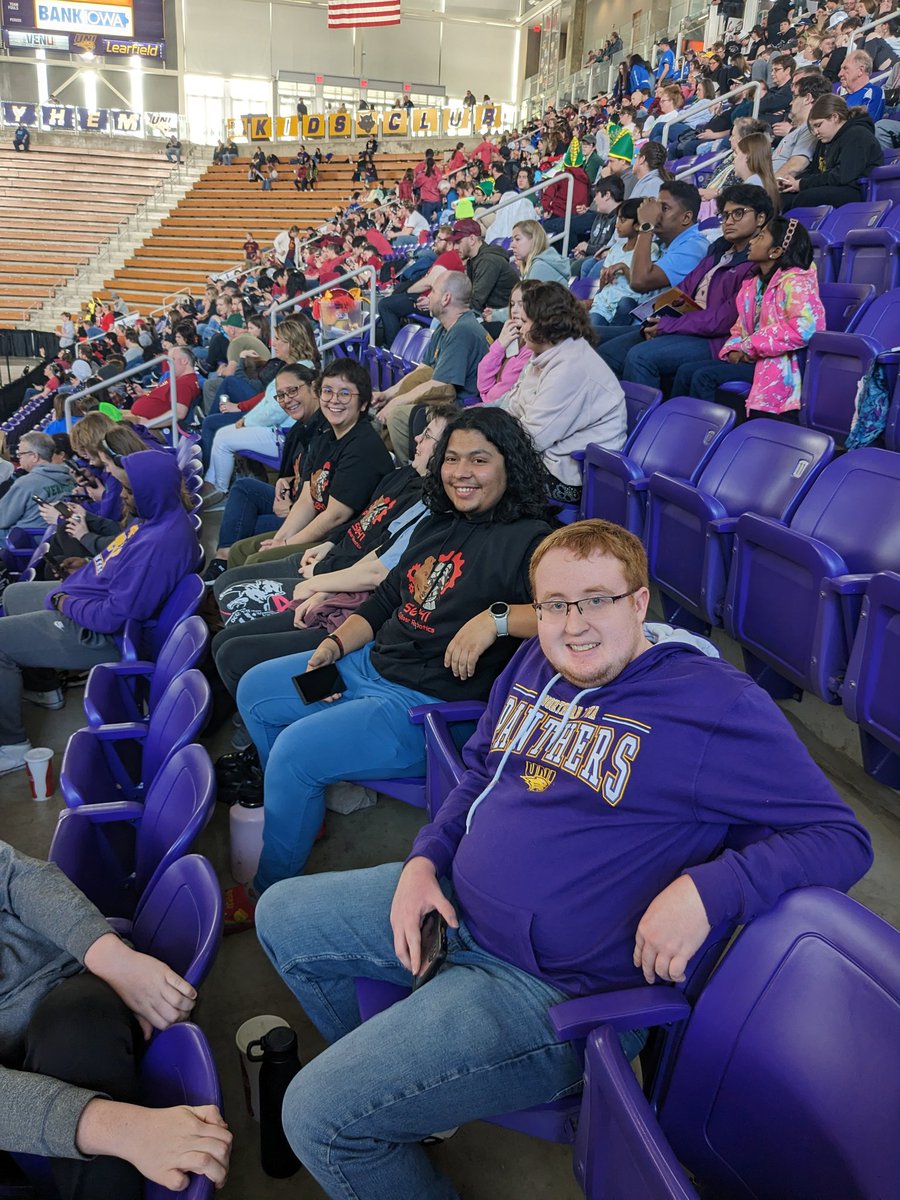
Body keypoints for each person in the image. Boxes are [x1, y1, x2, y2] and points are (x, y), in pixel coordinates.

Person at [255, 516, 873, 1200]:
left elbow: (842, 838)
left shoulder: (717, 705)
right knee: (282, 914)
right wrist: (425, 862)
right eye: (555, 605)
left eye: (597, 600)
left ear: (639, 603)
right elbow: (480, 768)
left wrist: (711, 889)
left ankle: (370, 1110)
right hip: (454, 906)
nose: (574, 625)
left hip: (549, 991)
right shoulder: (533, 662)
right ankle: (406, 1107)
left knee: (316, 1117)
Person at [231, 406, 554, 911]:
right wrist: (335, 646)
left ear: (509, 465)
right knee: (257, 691)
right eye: (451, 458)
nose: (461, 472)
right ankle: (298, 813)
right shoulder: (438, 520)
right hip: (360, 671)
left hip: (416, 708)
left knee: (296, 750)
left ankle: (266, 889)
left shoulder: (533, 539)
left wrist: (494, 619)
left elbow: (567, 613)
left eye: (479, 460)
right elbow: (385, 602)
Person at [0, 840, 232, 1197]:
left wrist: (112, 960)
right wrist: (123, 1129)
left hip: (68, 988)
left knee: (76, 1028)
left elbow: (14, 876)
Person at [211, 407, 456, 702]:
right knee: (227, 638)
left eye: (428, 435)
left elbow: (377, 572)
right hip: (344, 592)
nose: (416, 437)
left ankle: (260, 712)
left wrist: (321, 584)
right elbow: (376, 545)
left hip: (366, 631)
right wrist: (324, 579)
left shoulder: (439, 512)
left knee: (233, 654)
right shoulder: (414, 486)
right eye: (326, 392)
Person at [0, 443, 196, 773]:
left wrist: (65, 600)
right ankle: (44, 687)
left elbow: (112, 617)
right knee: (15, 594)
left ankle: (13, 745)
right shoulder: (155, 519)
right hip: (92, 600)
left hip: (103, 634)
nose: (121, 495)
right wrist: (91, 565)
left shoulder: (161, 543)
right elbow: (120, 565)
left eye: (130, 491)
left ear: (151, 491)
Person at [221, 359, 393, 569]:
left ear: (364, 403)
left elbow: (334, 517)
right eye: (327, 391)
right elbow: (307, 499)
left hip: (337, 543)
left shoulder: (363, 447)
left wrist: (285, 544)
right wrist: (281, 539)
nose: (334, 400)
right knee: (240, 550)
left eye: (345, 393)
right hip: (317, 530)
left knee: (256, 561)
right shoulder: (324, 437)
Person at [597, 185, 772, 392]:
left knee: (640, 357)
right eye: (725, 215)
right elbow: (684, 290)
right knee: (608, 353)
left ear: (760, 219)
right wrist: (656, 318)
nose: (729, 221)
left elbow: (722, 320)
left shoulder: (755, 262)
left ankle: (646, 421)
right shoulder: (718, 250)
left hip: (714, 339)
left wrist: (667, 325)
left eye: (738, 213)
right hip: (683, 326)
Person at [682, 216, 825, 421]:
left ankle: (704, 436)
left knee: (703, 377)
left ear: (776, 251)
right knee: (687, 371)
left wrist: (749, 346)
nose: (751, 241)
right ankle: (680, 428)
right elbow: (739, 328)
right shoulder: (753, 285)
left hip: (778, 366)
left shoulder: (796, 281)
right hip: (753, 359)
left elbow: (806, 328)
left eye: (760, 237)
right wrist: (733, 349)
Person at [504, 282, 626, 503]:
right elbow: (513, 407)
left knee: (483, 471)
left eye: (525, 322)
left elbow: (532, 438)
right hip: (548, 459)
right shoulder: (545, 354)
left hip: (571, 477)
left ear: (544, 324)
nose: (520, 329)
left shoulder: (571, 367)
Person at [373, 271, 490, 464]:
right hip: (446, 400)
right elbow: (423, 371)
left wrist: (396, 402)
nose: (428, 296)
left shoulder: (462, 331)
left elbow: (440, 385)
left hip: (463, 408)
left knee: (397, 416)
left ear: (446, 298)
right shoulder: (445, 328)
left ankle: (412, 473)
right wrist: (388, 394)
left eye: (433, 291)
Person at [592, 182, 710, 345]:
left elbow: (639, 282)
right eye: (656, 207)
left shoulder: (693, 247)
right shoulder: (665, 243)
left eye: (665, 208)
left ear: (686, 217)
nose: (656, 214)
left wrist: (646, 226)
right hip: (643, 322)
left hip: (663, 331)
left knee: (583, 337)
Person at [780, 94, 883, 208]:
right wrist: (794, 181)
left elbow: (842, 176)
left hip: (857, 190)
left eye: (818, 125)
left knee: (805, 198)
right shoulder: (825, 140)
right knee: (784, 198)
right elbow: (815, 171)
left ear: (834, 117)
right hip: (835, 186)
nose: (815, 132)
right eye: (813, 128)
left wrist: (802, 184)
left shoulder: (858, 135)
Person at [483, 220, 568, 326]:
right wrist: (497, 313)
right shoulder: (537, 264)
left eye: (517, 239)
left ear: (534, 240)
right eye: (512, 240)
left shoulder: (540, 267)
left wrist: (496, 316)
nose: (512, 245)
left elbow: (527, 308)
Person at [0, 432, 72, 542]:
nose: (19, 458)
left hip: (26, 542)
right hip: (57, 540)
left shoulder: (26, 483)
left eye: (21, 454)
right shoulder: (69, 479)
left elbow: (2, 518)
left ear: (34, 456)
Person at [476, 282, 534, 405]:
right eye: (512, 305)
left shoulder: (532, 348)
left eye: (521, 304)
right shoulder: (511, 337)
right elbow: (482, 383)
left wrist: (485, 398)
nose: (515, 311)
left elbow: (496, 396)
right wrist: (500, 344)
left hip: (500, 410)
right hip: (491, 406)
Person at [121, 346, 200, 427]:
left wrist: (149, 424)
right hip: (138, 417)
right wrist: (143, 393)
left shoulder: (184, 383)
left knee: (110, 419)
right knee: (110, 413)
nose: (168, 363)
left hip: (144, 424)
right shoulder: (176, 378)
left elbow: (179, 413)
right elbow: (163, 398)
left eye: (172, 360)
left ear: (184, 361)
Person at [771, 73, 831, 177]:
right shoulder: (801, 129)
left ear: (808, 98)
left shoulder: (810, 130)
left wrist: (768, 188)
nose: (790, 103)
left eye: (794, 97)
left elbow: (796, 165)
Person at [569, 177, 626, 280]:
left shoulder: (621, 218)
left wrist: (588, 248)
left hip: (606, 259)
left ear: (607, 195)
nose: (594, 199)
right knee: (569, 263)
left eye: (596, 194)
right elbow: (592, 242)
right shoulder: (599, 216)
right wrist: (583, 252)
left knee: (578, 266)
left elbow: (611, 247)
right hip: (593, 256)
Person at [734, 132, 781, 211]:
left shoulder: (753, 186)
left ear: (747, 156)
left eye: (736, 154)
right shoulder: (762, 181)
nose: (734, 160)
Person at [838, 48, 885, 120]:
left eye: (845, 68)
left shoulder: (873, 92)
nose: (839, 74)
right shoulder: (841, 97)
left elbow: (865, 124)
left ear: (860, 70)